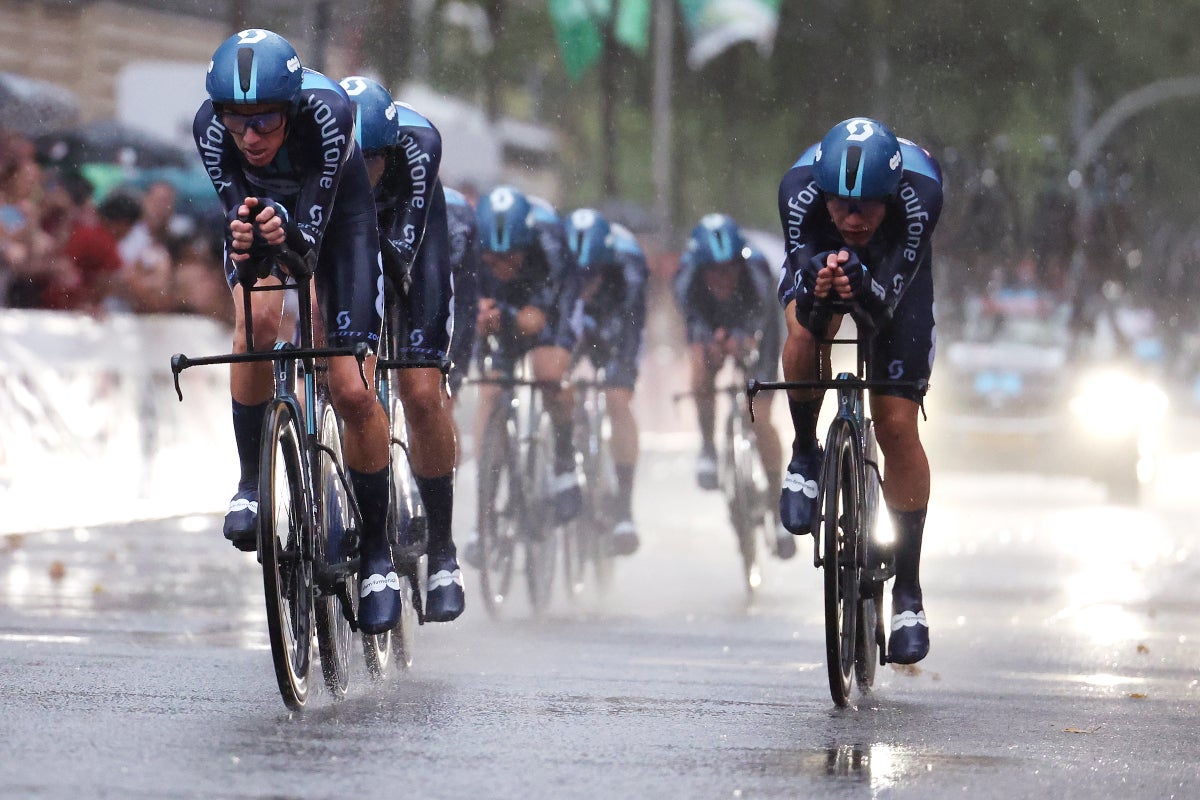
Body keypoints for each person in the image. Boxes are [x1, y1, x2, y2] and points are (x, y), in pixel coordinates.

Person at [194, 29, 400, 634]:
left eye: (263, 122)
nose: (250, 137)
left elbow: (310, 236)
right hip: (263, 218)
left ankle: (379, 558)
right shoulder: (210, 128)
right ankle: (250, 483)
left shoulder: (329, 111)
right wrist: (248, 230)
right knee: (255, 322)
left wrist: (285, 230)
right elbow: (238, 205)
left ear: (289, 108)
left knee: (352, 388)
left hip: (339, 223)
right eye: (238, 122)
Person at [776, 116, 943, 664]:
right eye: (841, 204)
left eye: (868, 204)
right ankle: (805, 452)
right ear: (822, 193)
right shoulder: (799, 194)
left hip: (895, 277)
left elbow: (884, 306)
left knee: (895, 425)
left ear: (891, 194)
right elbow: (806, 299)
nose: (852, 218)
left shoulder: (921, 194)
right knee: (802, 332)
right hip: (819, 263)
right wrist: (820, 291)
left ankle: (909, 592)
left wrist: (863, 284)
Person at [337, 75, 464, 622]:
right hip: (341, 234)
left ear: (390, 154)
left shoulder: (420, 145)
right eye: (352, 164)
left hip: (410, 243)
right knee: (341, 374)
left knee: (419, 390)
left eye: (372, 165)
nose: (362, 176)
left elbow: (398, 255)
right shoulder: (317, 148)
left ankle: (443, 550)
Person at [674, 213, 793, 561]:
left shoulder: (757, 271)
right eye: (713, 271)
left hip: (758, 330)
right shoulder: (687, 277)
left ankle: (778, 506)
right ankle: (708, 447)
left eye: (729, 269)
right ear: (700, 268)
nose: (722, 277)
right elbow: (691, 322)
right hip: (711, 325)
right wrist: (710, 341)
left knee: (759, 417)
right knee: (701, 367)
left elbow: (767, 324)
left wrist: (744, 340)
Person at [470, 185, 583, 538]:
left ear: (526, 245)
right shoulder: (473, 245)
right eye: (494, 260)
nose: (503, 267)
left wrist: (509, 315)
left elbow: (537, 318)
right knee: (489, 393)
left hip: (548, 301)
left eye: (511, 258)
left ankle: (564, 461)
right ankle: (485, 512)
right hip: (502, 308)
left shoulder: (548, 242)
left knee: (547, 372)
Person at [563, 208, 647, 556]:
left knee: (616, 397)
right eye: (577, 277)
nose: (584, 285)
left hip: (619, 316)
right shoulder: (559, 261)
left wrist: (618, 376)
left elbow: (630, 332)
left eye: (591, 276)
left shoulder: (628, 268)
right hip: (581, 319)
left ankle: (625, 508)